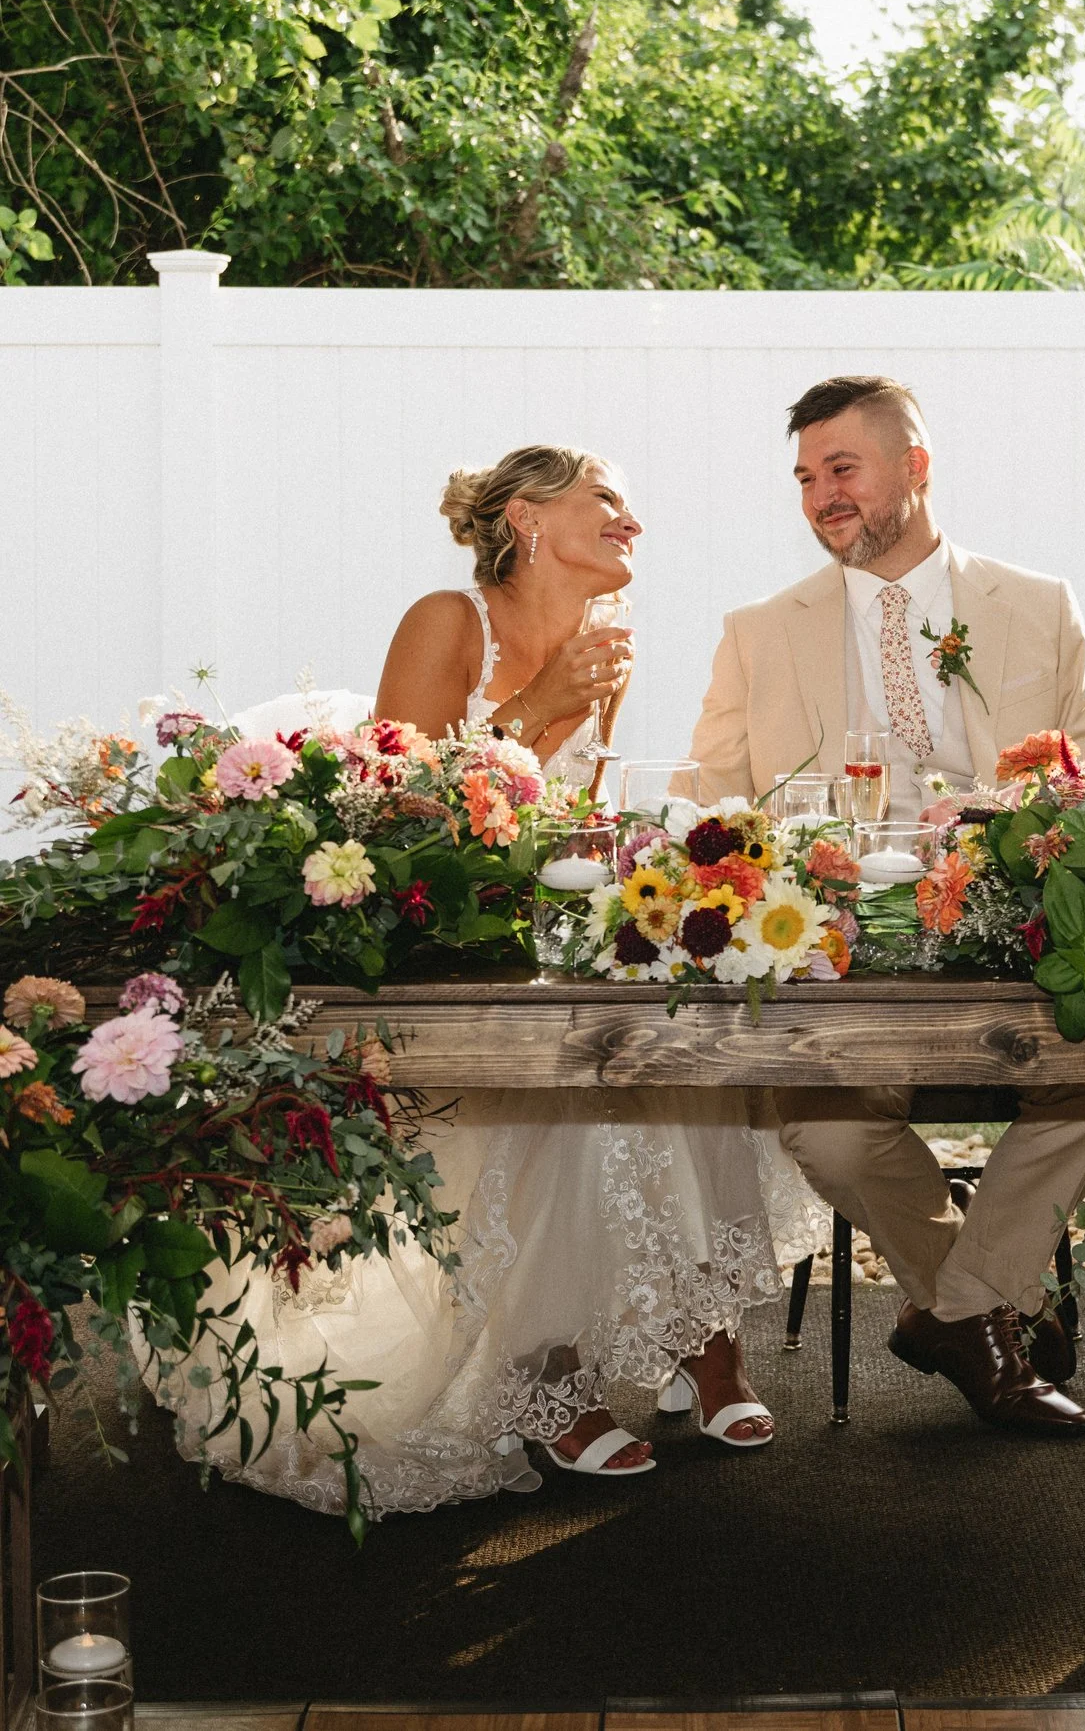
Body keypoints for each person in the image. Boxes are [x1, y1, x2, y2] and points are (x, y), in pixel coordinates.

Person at [161, 446, 789, 1509]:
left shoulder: (607, 645)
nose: (632, 521)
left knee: (685, 1056)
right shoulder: (446, 621)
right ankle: (549, 1376)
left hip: (542, 935)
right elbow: (393, 811)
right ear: (528, 516)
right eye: (608, 499)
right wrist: (538, 702)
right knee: (563, 1099)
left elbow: (572, 822)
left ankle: (705, 1343)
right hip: (434, 951)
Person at [691, 374, 1085, 1437]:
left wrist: (1018, 824)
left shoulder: (1038, 604)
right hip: (844, 959)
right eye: (806, 477)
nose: (822, 496)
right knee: (827, 1133)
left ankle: (959, 1313)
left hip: (1013, 947)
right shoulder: (759, 632)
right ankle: (987, 1314)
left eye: (842, 468)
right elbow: (713, 809)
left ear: (916, 468)